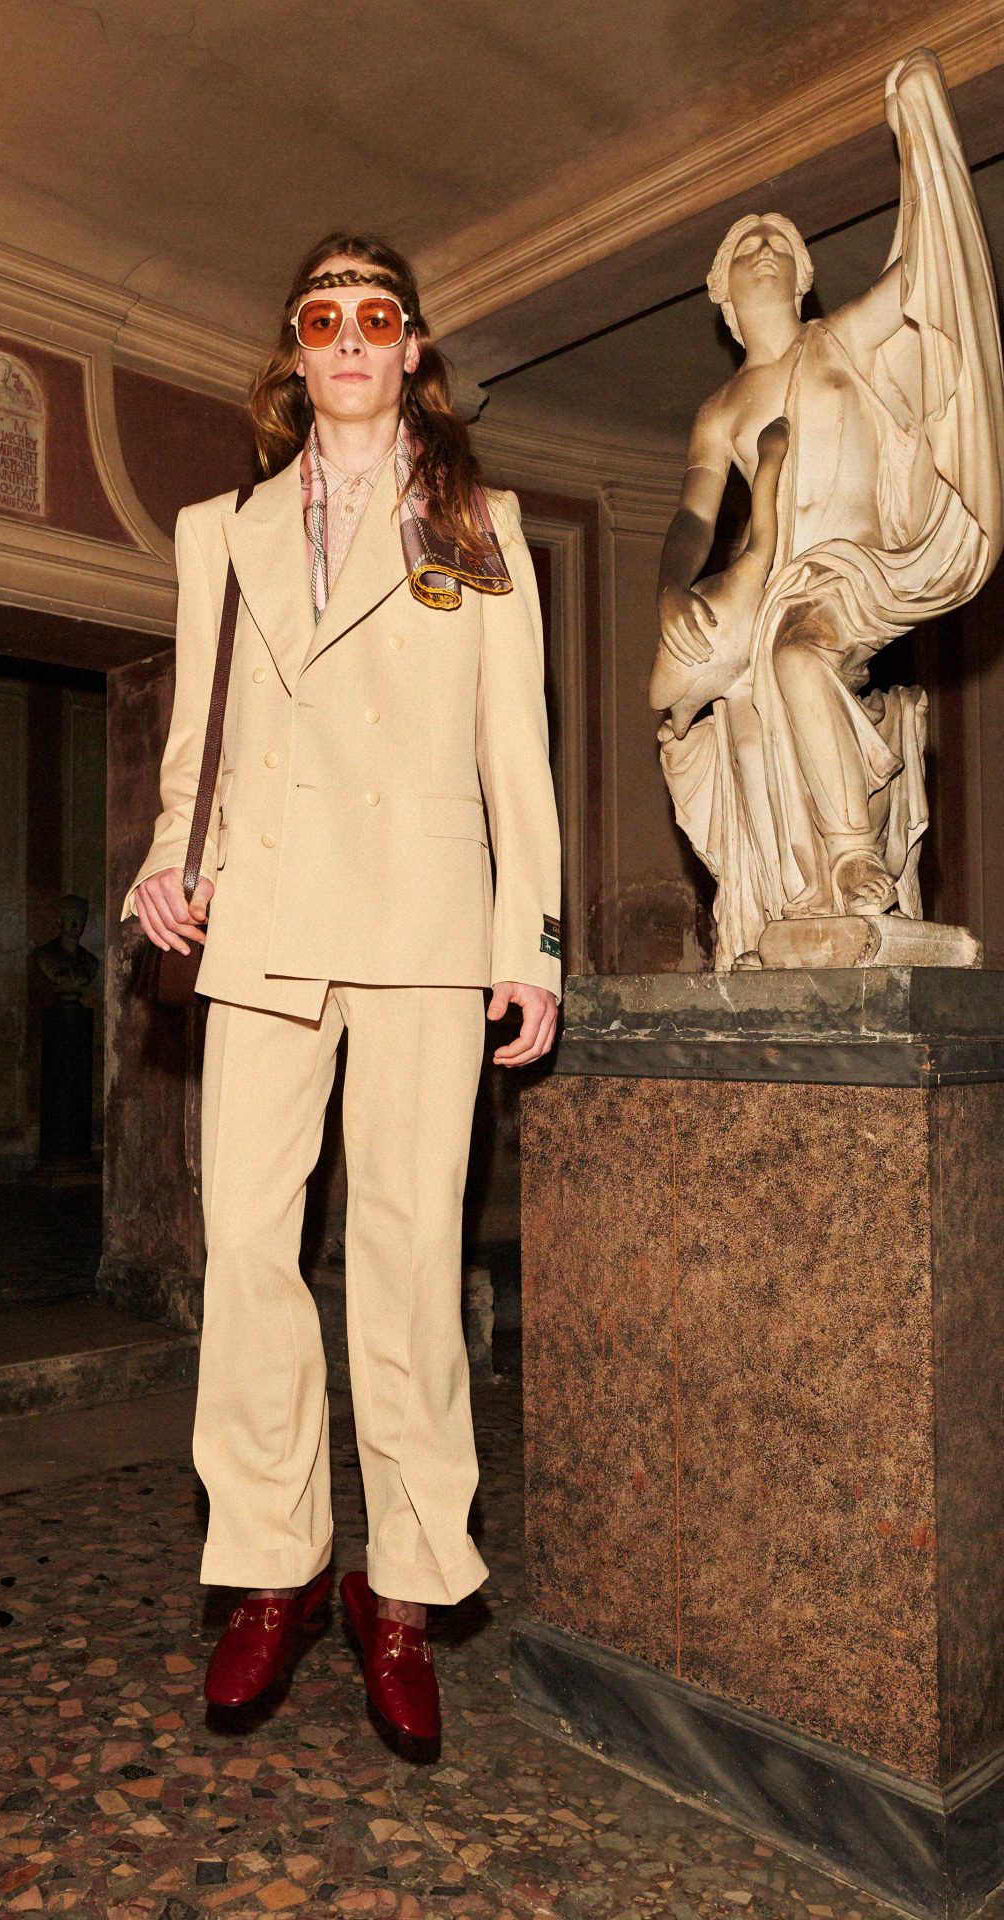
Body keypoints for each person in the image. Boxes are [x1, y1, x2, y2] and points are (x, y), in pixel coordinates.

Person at [122, 232, 561, 1741]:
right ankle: (276, 1565)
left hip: (427, 925)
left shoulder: (477, 521)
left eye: (378, 314)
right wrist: (166, 860)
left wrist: (531, 941)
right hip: (262, 917)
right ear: (296, 352)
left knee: (407, 1253)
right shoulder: (221, 529)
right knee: (247, 1245)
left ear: (413, 349)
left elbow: (515, 748)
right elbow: (201, 737)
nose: (352, 336)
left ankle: (407, 1588)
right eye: (324, 317)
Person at [652, 50, 1004, 970]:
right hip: (776, 581)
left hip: (860, 568)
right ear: (725, 299)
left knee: (797, 659)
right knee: (761, 705)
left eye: (779, 242)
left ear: (804, 276)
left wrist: (922, 134)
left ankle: (853, 857)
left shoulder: (839, 338)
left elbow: (927, 273)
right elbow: (695, 517)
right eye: (744, 249)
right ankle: (806, 887)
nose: (764, 249)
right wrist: (669, 590)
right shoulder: (721, 410)